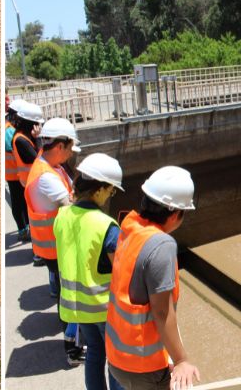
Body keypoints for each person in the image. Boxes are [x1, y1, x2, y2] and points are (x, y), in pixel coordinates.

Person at [107, 166, 200, 390]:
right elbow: (161, 311)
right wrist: (181, 360)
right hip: (144, 366)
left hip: (117, 357)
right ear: (177, 213)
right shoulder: (162, 245)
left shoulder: (130, 226)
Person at [54, 153, 125, 389]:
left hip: (76, 308)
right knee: (116, 361)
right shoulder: (106, 226)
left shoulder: (62, 216)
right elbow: (121, 271)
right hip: (104, 308)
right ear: (99, 189)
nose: (110, 195)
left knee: (94, 353)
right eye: (111, 190)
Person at [24, 116, 85, 364]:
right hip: (57, 247)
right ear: (59, 146)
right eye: (70, 149)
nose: (71, 155)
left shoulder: (49, 166)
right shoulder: (46, 176)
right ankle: (72, 349)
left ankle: (70, 335)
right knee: (68, 296)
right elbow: (71, 204)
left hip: (55, 245)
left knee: (63, 293)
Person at [5, 99, 38, 244]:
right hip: (14, 174)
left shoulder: (12, 130)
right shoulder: (10, 131)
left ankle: (25, 228)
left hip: (18, 174)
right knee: (18, 204)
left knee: (22, 204)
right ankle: (23, 230)